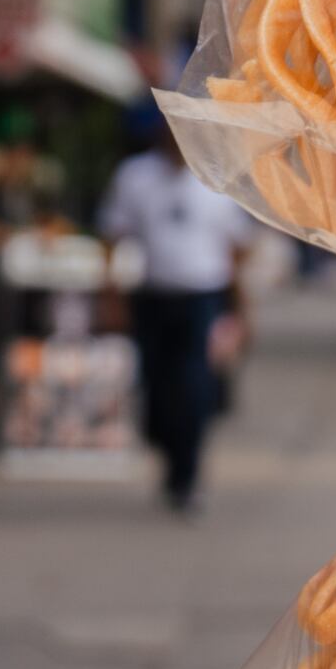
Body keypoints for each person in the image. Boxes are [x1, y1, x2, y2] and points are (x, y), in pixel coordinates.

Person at [98, 101, 254, 513]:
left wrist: (240, 310)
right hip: (153, 295)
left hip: (203, 297)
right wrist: (111, 297)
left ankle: (188, 473)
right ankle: (168, 454)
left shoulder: (215, 178)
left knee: (194, 386)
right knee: (154, 383)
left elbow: (237, 249)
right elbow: (114, 237)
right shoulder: (135, 177)